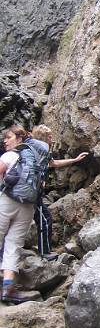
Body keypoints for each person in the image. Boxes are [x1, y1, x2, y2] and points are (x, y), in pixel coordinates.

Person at [0, 125, 46, 303]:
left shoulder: (11, 155)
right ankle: (8, 287)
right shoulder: (35, 158)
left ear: (19, 139)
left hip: (7, 200)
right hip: (27, 206)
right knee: (14, 245)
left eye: (9, 137)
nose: (5, 140)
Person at [31, 125, 88, 260]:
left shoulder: (37, 150)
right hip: (32, 193)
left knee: (41, 219)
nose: (52, 139)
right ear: (44, 138)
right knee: (45, 220)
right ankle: (45, 252)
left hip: (32, 192)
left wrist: (74, 160)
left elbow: (53, 163)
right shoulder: (41, 150)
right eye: (49, 136)